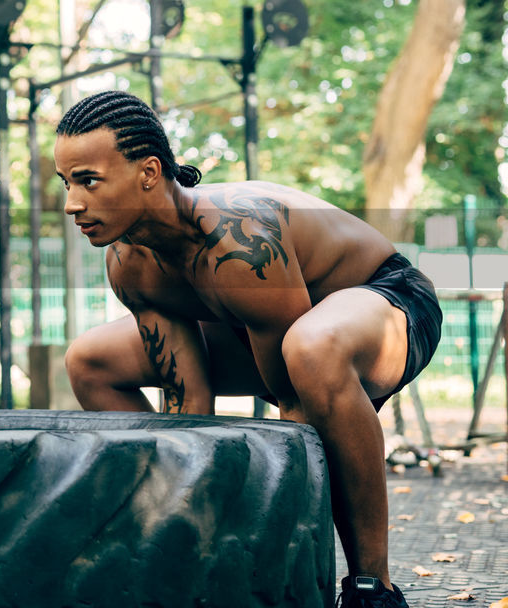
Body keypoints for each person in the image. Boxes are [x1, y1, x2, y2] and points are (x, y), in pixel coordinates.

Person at [55, 90, 441, 608]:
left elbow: (295, 409)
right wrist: (194, 536)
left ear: (148, 172)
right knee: (90, 360)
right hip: (272, 332)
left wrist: (276, 560)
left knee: (310, 350)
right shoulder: (130, 262)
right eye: (66, 182)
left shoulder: (238, 243)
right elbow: (187, 404)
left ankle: (373, 586)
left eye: (88, 181)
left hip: (388, 303)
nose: (72, 203)